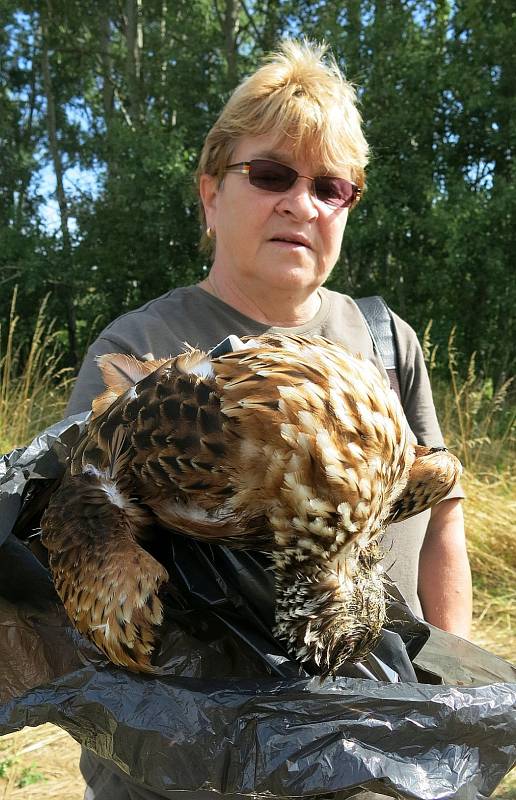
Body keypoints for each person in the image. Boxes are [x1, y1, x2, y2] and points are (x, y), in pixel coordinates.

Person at [66, 39, 472, 800]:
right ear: (210, 194)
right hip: (188, 774)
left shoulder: (387, 342)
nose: (301, 202)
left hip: (376, 757)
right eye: (271, 174)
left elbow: (443, 519)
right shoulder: (137, 354)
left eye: (332, 187)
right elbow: (85, 571)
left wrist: (444, 693)